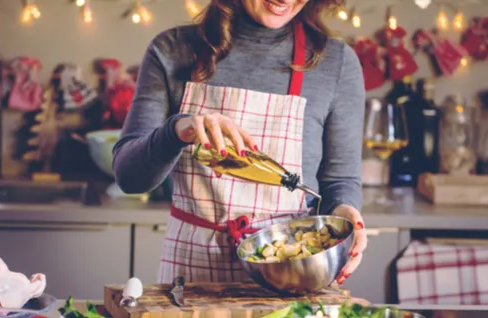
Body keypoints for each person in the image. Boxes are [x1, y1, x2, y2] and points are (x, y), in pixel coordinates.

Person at [113, 0, 367, 286]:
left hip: (293, 274)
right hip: (191, 279)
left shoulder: (336, 63)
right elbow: (129, 177)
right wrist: (177, 130)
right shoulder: (172, 49)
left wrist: (346, 213)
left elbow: (338, 180)